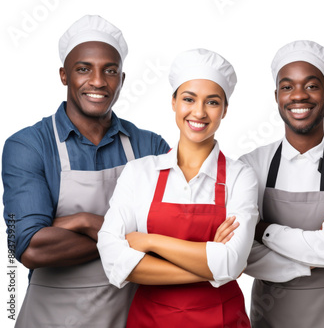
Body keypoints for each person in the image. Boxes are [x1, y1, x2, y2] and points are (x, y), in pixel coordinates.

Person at [1, 15, 169, 327]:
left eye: (110, 70)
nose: (98, 81)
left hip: (129, 316)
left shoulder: (150, 147)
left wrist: (79, 223)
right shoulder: (28, 146)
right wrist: (131, 238)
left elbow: (176, 236)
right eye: (83, 69)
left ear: (121, 78)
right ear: (64, 75)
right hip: (49, 319)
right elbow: (29, 247)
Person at [97, 48, 258, 327]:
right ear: (173, 102)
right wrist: (212, 266)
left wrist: (150, 242)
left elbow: (232, 262)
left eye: (212, 102)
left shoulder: (240, 176)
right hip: (151, 320)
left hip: (221, 320)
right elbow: (114, 260)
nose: (199, 112)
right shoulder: (139, 172)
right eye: (188, 99)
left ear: (225, 110)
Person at [239, 40, 324, 328]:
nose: (298, 95)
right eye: (287, 87)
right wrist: (310, 259)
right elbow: (240, 251)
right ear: (276, 96)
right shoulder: (250, 166)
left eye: (311, 86)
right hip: (271, 312)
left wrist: (264, 230)